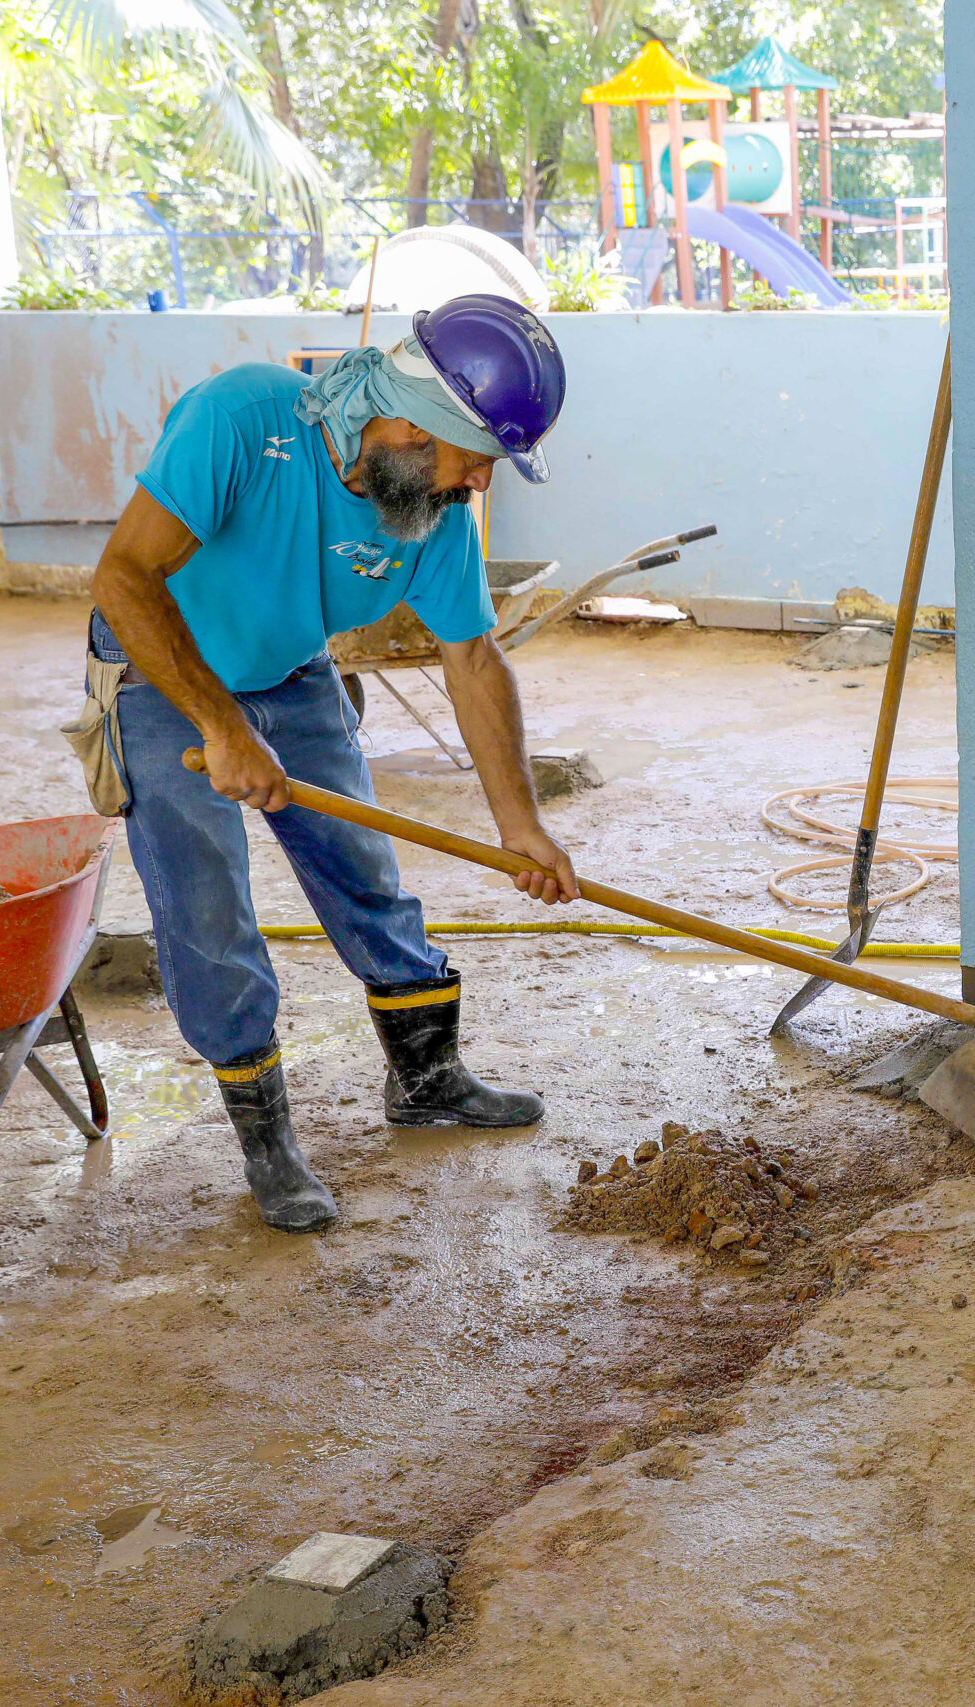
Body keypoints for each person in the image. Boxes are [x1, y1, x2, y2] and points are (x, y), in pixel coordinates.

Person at [80, 294, 579, 1234]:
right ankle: (267, 1143)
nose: (479, 482)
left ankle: (427, 1078)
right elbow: (122, 577)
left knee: (363, 866)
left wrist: (521, 825)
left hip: (291, 666)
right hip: (161, 673)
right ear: (417, 424)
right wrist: (223, 725)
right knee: (207, 906)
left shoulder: (432, 514)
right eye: (477, 457)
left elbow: (473, 660)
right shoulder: (242, 418)